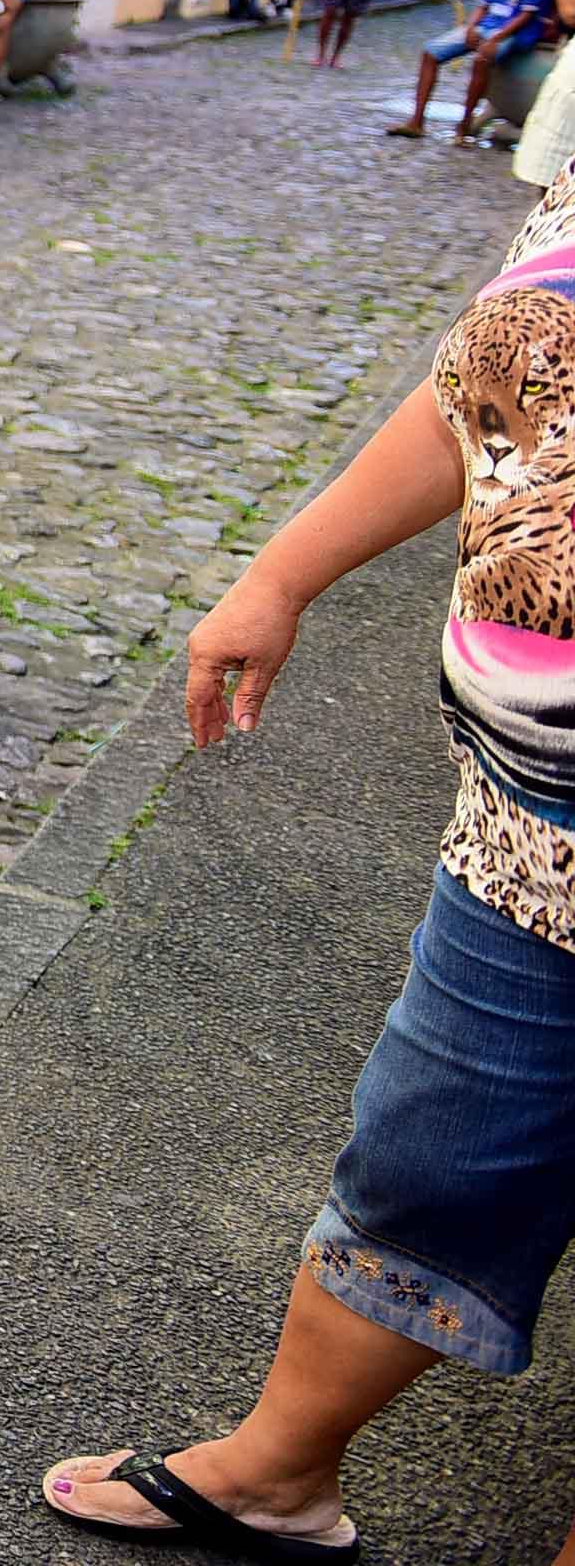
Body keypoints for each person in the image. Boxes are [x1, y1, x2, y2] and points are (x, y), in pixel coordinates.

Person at [43, 163, 575, 1564]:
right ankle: (279, 1475)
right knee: (429, 1152)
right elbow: (492, 389)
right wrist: (282, 572)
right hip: (525, 836)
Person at [392, 0, 553, 144]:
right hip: (487, 25)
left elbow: (526, 15)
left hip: (514, 33)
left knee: (482, 59)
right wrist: (469, 28)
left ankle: (465, 125)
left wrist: (495, 38)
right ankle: (416, 121)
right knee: (430, 53)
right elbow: (483, 4)